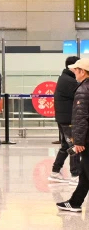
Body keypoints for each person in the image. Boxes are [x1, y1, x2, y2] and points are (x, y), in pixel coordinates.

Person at [58, 58, 89, 212]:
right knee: (84, 172)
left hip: (87, 138)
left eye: (76, 70)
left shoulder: (83, 89)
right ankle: (75, 202)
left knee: (87, 170)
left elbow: (81, 118)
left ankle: (75, 202)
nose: (74, 73)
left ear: (82, 72)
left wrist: (79, 140)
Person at [52, 56, 82, 184]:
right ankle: (75, 175)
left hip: (64, 118)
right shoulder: (70, 81)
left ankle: (55, 172)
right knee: (74, 146)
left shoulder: (65, 78)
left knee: (65, 146)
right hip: (68, 119)